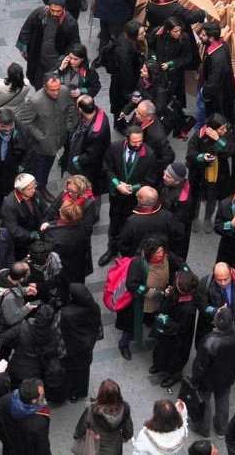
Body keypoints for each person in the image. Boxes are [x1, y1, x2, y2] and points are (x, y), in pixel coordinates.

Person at [117, 236, 189, 359]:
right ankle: (123, 344)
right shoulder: (138, 264)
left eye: (162, 251)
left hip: (159, 301)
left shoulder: (167, 257)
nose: (161, 254)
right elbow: (132, 284)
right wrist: (151, 293)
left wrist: (187, 272)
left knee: (156, 320)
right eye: (157, 253)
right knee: (130, 326)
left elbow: (180, 263)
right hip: (139, 303)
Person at [99, 126, 157, 267]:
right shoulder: (114, 148)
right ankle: (112, 249)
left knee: (130, 226)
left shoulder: (149, 155)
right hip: (116, 196)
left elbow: (150, 179)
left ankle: (127, 254)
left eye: (140, 141)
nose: (138, 145)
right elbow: (107, 168)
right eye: (134, 142)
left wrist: (132, 188)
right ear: (126, 139)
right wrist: (117, 184)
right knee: (114, 223)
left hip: (135, 200)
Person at [193, 307, 235, 438]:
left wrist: (195, 381)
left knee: (205, 400)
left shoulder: (208, 342)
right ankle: (222, 428)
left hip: (208, 378)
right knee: (223, 399)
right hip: (228, 374)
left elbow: (200, 366)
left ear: (215, 323)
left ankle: (203, 428)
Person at [19, 75, 76, 191]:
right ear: (45, 87)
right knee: (38, 171)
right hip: (40, 147)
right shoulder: (35, 101)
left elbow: (71, 106)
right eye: (52, 90)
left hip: (57, 141)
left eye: (58, 89)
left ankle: (42, 188)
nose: (56, 93)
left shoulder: (64, 91)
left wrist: (69, 125)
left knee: (47, 168)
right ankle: (38, 191)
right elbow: (25, 121)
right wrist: (40, 136)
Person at [17, 0, 81, 90]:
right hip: (39, 58)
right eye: (52, 10)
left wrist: (67, 58)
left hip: (56, 62)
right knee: (38, 85)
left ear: (64, 9)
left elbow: (75, 44)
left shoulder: (70, 23)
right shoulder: (40, 14)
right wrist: (23, 47)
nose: (55, 13)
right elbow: (27, 28)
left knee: (54, 87)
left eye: (58, 11)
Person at [150, 270, 199, 388]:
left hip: (178, 339)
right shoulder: (176, 293)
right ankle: (159, 365)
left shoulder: (188, 308)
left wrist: (166, 321)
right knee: (161, 349)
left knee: (174, 357)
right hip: (167, 332)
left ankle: (175, 375)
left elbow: (182, 328)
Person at [60, 283, 101, 401]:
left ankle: (72, 392)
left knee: (72, 373)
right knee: (83, 372)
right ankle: (81, 391)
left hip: (72, 349)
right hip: (87, 348)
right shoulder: (94, 307)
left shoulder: (67, 314)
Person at [0, 378, 51, 455]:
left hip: (10, 446)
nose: (44, 396)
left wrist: (3, 434)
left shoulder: (7, 400)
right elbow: (42, 448)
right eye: (42, 394)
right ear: (34, 401)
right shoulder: (39, 423)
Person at [72, 379, 133, 455]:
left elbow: (80, 429)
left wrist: (77, 436)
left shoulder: (92, 409)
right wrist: (124, 438)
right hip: (114, 449)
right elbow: (128, 431)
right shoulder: (124, 409)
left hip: (95, 448)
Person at [64, 94, 109, 196]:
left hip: (89, 167)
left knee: (89, 187)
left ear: (80, 109)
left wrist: (77, 160)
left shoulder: (96, 132)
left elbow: (91, 155)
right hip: (82, 151)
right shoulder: (98, 114)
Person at [197, 20, 235, 125]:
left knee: (203, 116)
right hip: (216, 89)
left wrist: (204, 93)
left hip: (214, 95)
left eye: (203, 35)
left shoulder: (217, 58)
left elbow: (214, 80)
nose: (200, 36)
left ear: (212, 39)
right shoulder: (222, 44)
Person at [108, 20, 146, 116]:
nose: (144, 34)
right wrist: (132, 90)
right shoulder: (123, 51)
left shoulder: (128, 38)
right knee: (120, 105)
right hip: (121, 83)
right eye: (141, 33)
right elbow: (126, 73)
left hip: (127, 75)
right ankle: (120, 124)